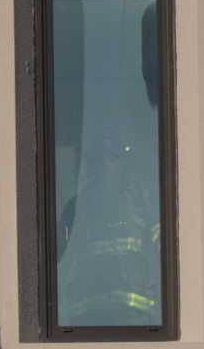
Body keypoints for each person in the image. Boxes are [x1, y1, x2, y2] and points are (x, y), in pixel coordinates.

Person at [55, 128, 160, 327]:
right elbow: (62, 251)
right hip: (88, 306)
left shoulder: (138, 198)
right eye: (100, 159)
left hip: (132, 306)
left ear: (123, 163)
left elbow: (159, 234)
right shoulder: (79, 204)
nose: (105, 164)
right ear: (92, 164)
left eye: (112, 158)